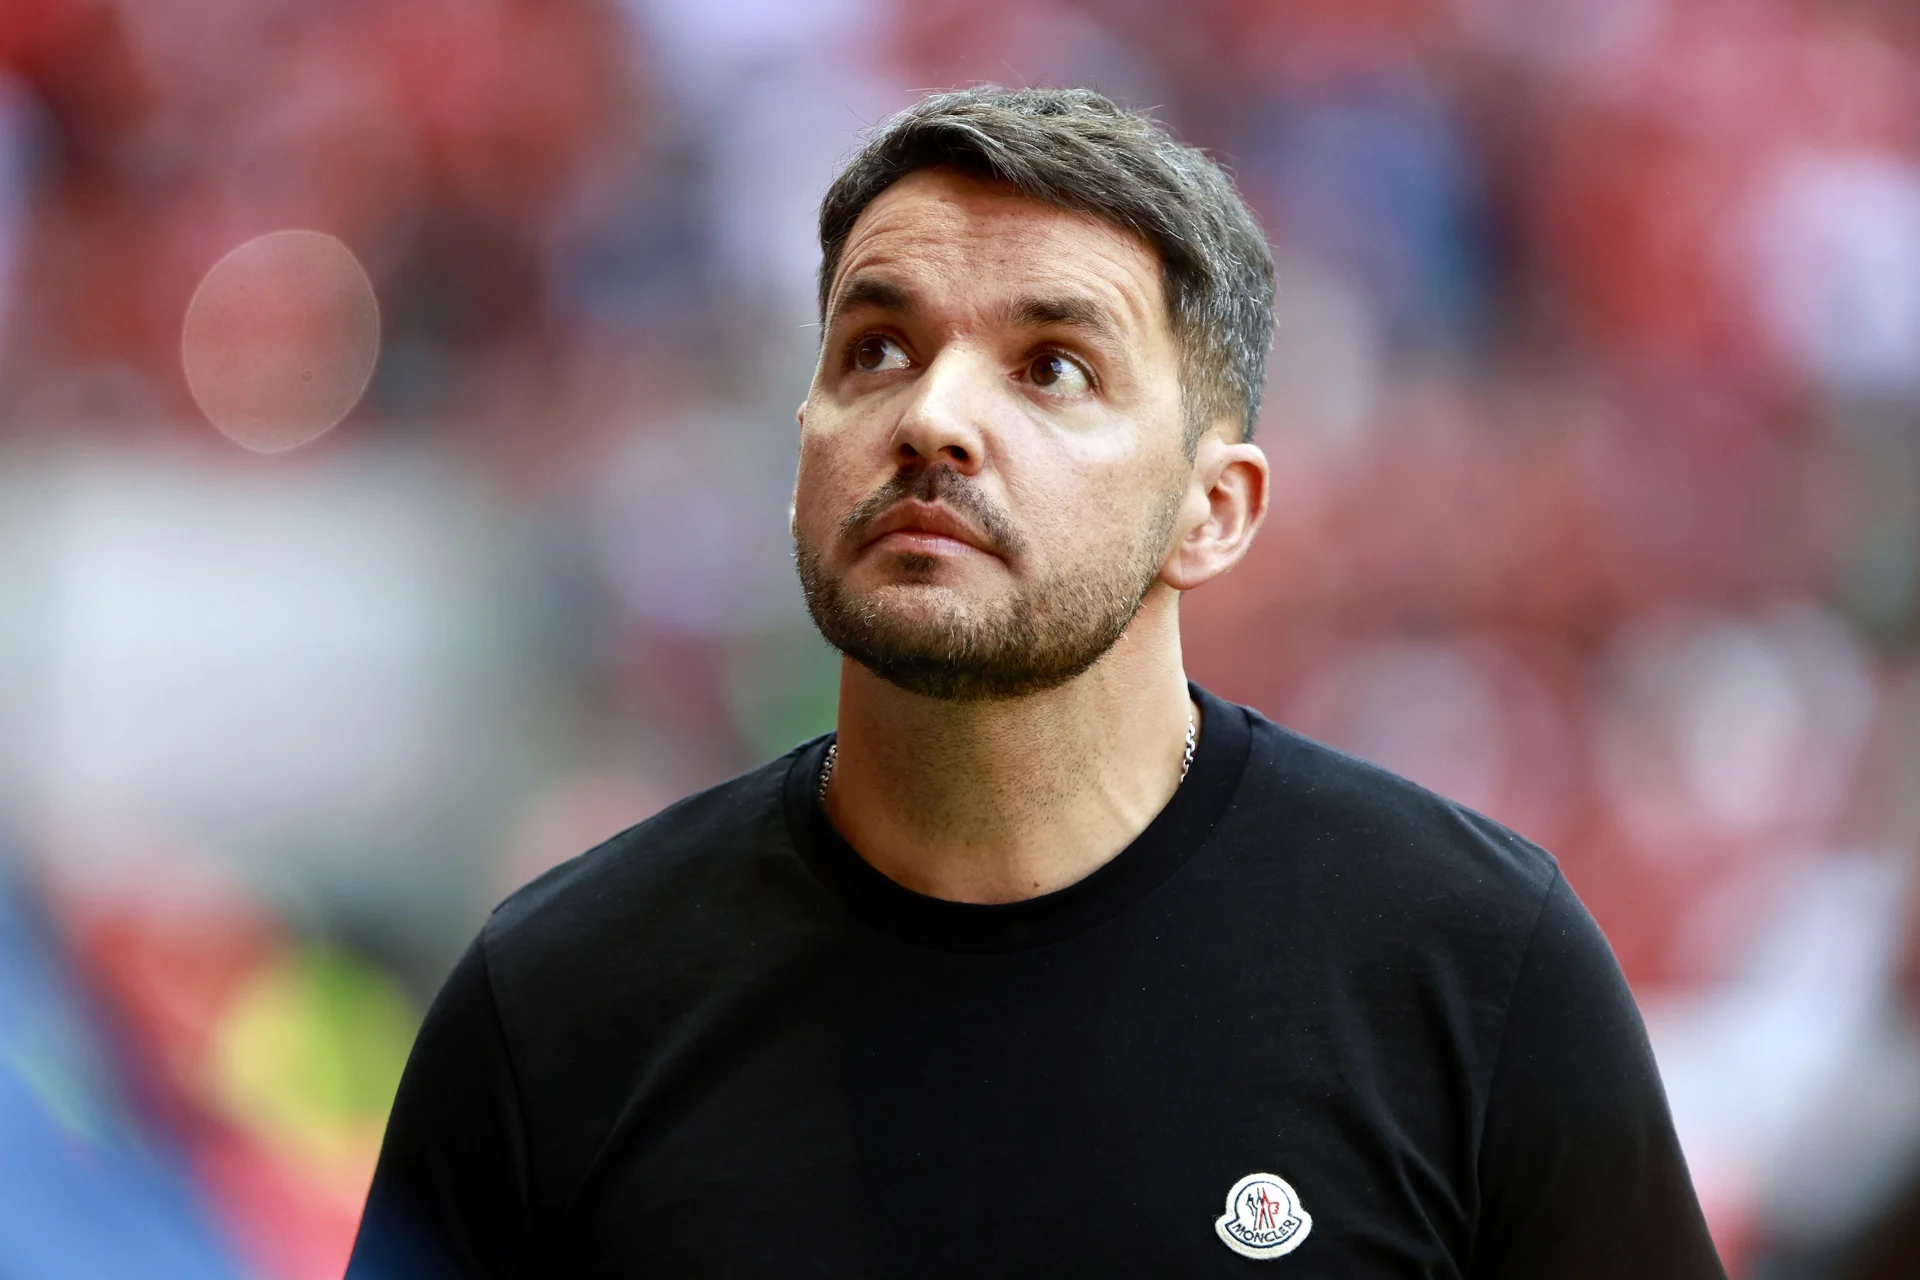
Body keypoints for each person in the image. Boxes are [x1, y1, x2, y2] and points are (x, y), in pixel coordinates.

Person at [347, 86, 1724, 1277]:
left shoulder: (1469, 970)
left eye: (1053, 367)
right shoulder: (559, 1002)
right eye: (876, 348)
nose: (934, 415)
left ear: (1214, 511)